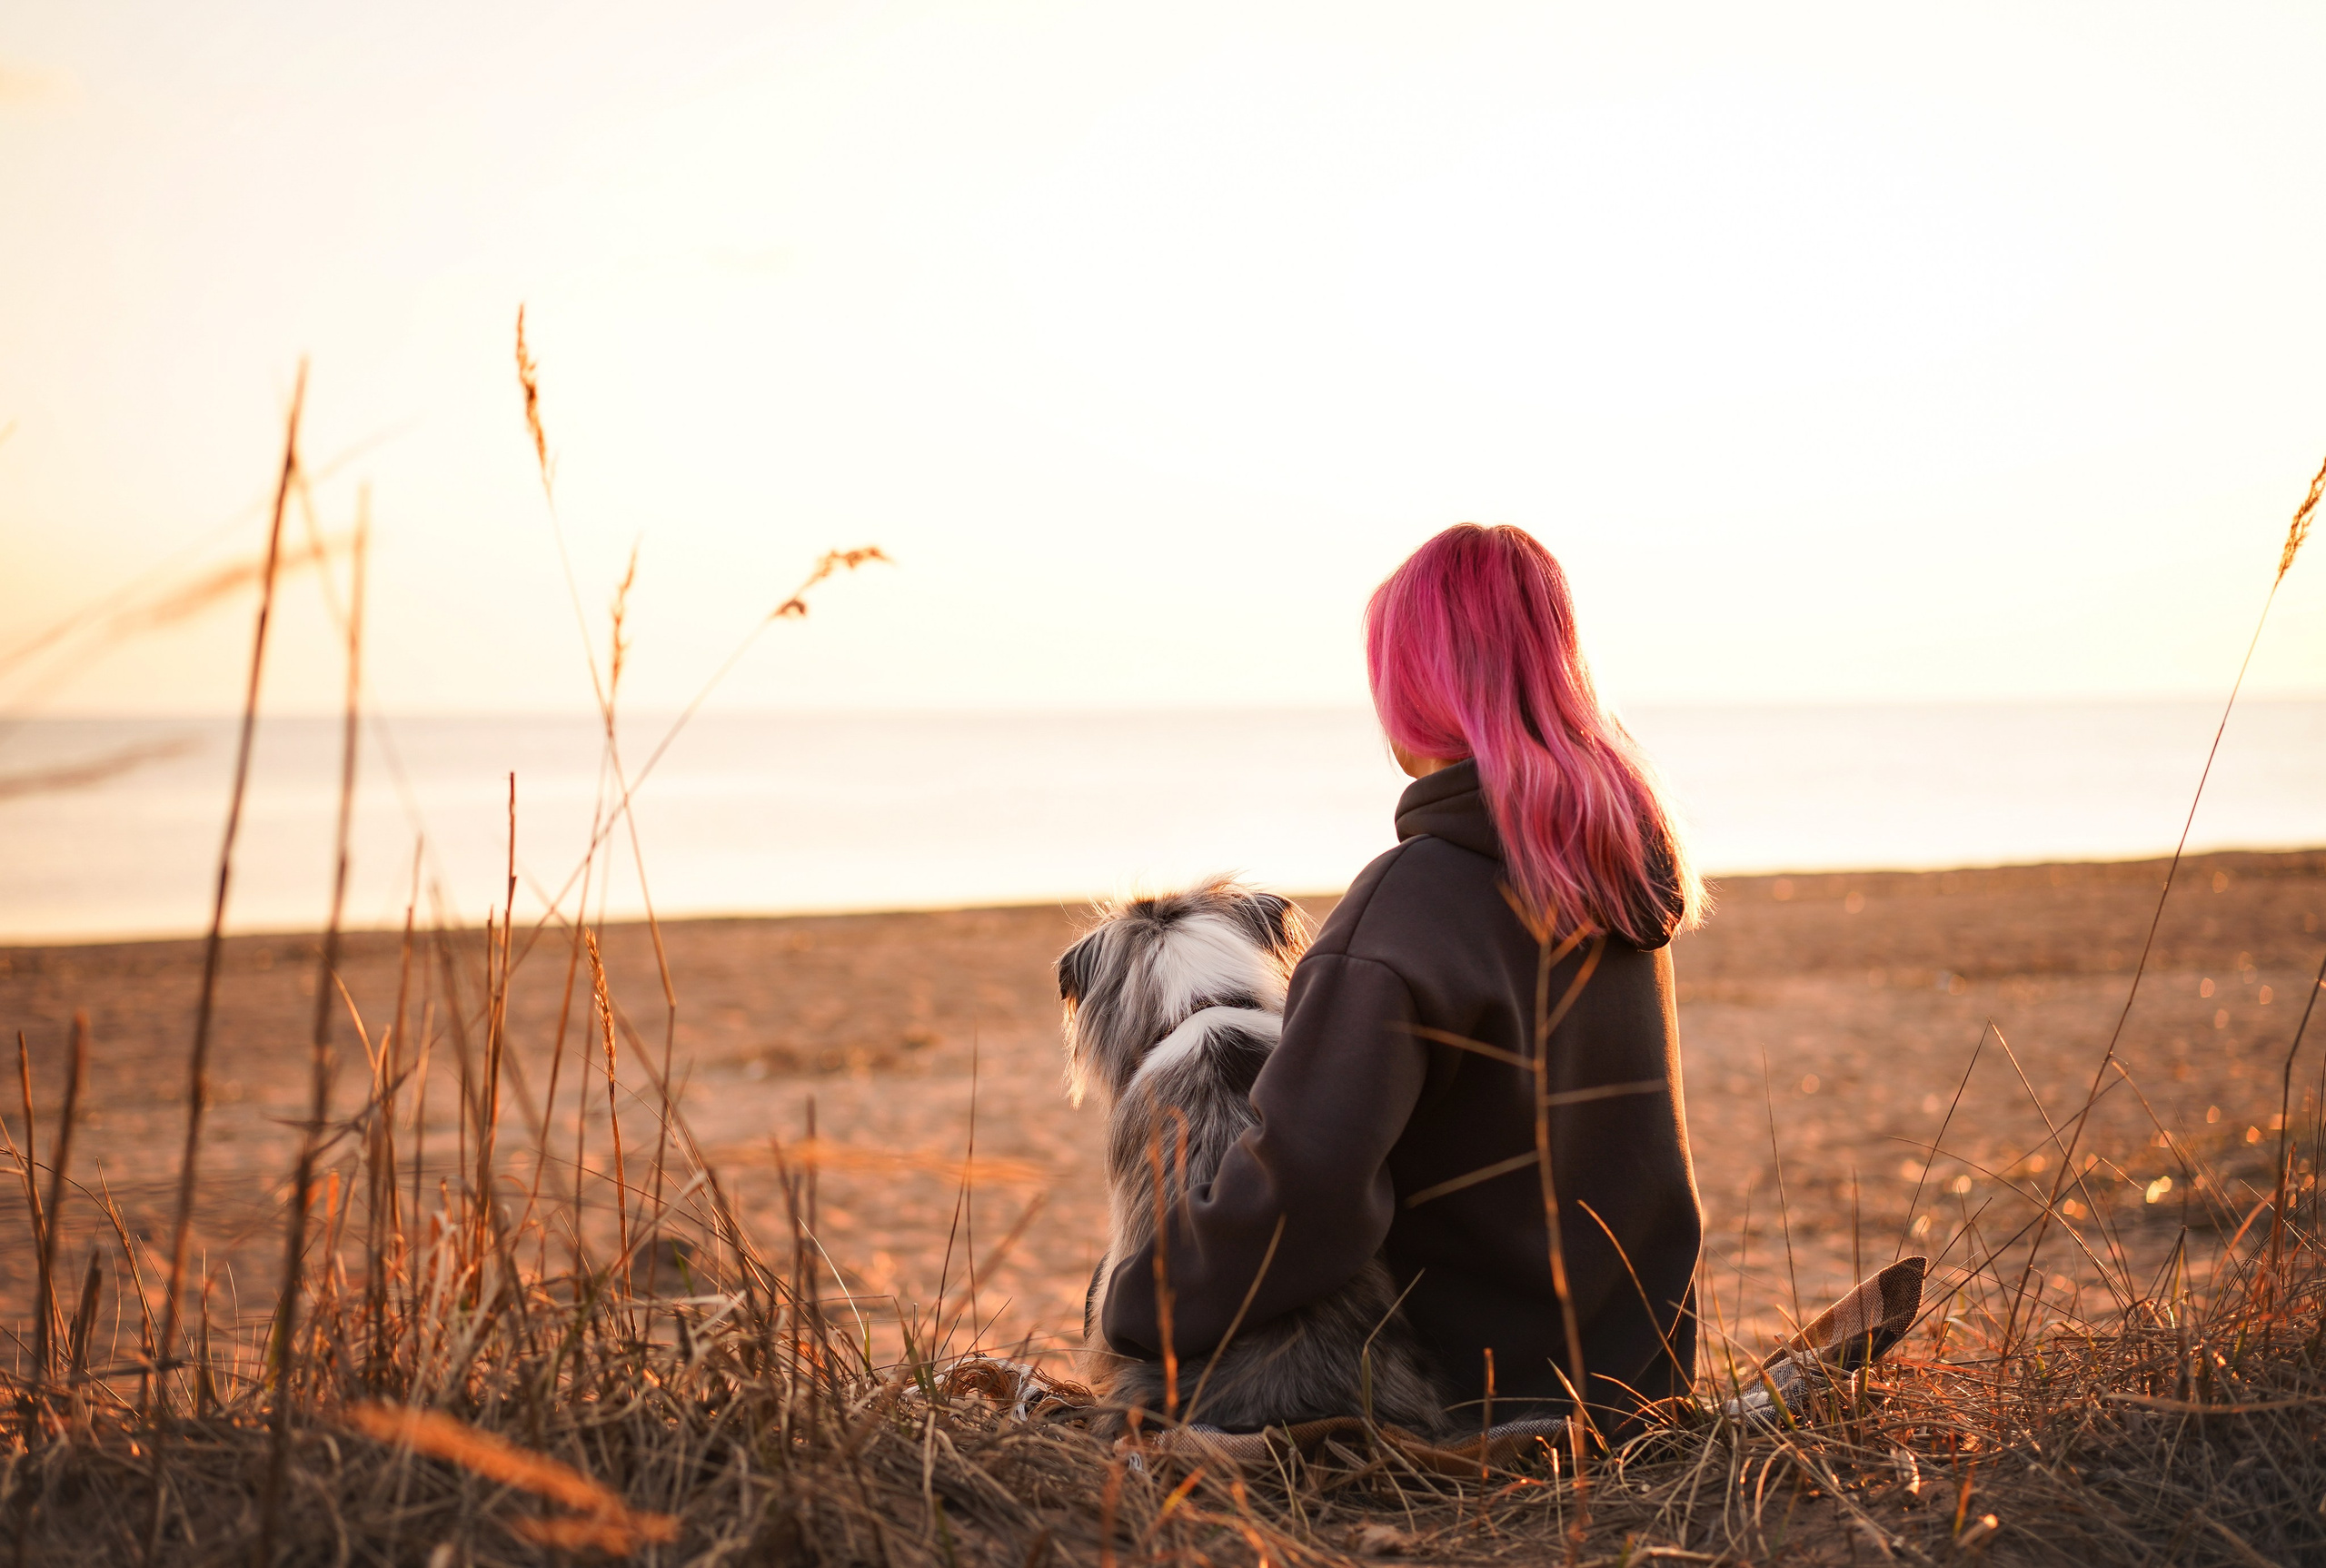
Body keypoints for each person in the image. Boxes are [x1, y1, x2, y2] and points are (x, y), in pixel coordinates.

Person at [1098, 523, 1705, 1434]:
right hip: (1636, 1376)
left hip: (1473, 1391)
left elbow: (1306, 1195)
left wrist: (1138, 1310)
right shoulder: (1610, 868)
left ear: (1412, 690)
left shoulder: (1408, 904)